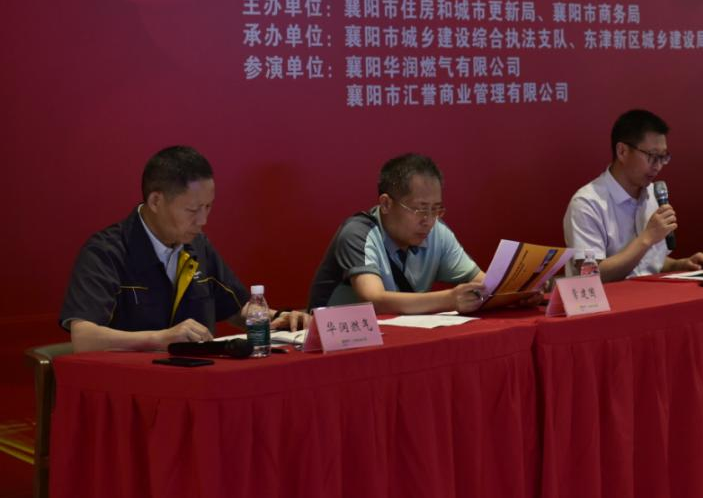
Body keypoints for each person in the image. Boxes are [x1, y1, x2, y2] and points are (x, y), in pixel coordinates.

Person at [59, 146, 308, 352]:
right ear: (156, 201)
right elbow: (84, 337)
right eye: (192, 210)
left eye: (208, 207)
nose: (203, 220)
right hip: (131, 382)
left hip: (197, 379)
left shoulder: (197, 245)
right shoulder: (106, 252)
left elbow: (236, 308)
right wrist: (160, 338)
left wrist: (278, 318)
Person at [307, 153, 488, 314]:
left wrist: (500, 291)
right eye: (420, 209)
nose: (429, 220)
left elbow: (485, 285)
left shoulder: (437, 232)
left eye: (436, 209)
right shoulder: (358, 233)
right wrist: (449, 300)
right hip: (336, 337)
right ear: (386, 204)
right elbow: (374, 300)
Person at [563, 109, 703, 282]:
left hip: (652, 293)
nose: (658, 166)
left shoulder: (652, 194)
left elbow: (648, 263)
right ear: (622, 151)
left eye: (663, 157)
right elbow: (591, 275)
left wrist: (680, 265)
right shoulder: (587, 203)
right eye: (652, 156)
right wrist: (647, 237)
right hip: (609, 299)